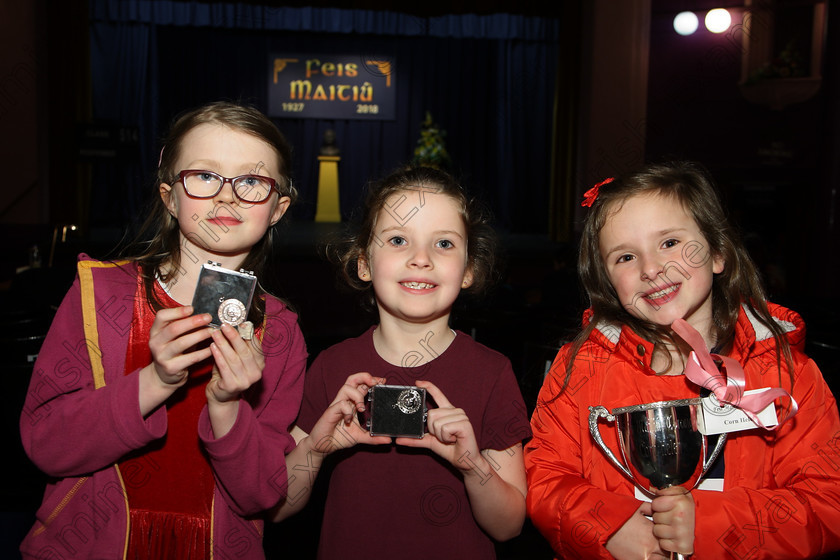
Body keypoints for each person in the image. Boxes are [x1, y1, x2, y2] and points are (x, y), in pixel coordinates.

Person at [19, 101, 308, 559]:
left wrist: (227, 406)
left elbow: (261, 495)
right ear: (168, 196)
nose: (226, 196)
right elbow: (46, 445)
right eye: (204, 176)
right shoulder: (100, 295)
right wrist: (155, 381)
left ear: (277, 208)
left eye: (252, 181)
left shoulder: (280, 333)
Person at [525, 160, 840, 559]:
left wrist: (710, 526)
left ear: (717, 253)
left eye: (670, 242)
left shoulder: (785, 375)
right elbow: (546, 477)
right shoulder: (581, 368)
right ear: (606, 281)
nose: (651, 268)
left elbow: (827, 500)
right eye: (625, 257)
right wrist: (607, 527)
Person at [272, 165, 532, 559]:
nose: (421, 259)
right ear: (363, 263)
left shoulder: (493, 373)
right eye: (398, 240)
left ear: (469, 270)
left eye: (443, 244)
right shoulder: (331, 365)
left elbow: (509, 525)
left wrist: (472, 465)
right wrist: (315, 449)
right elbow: (278, 507)